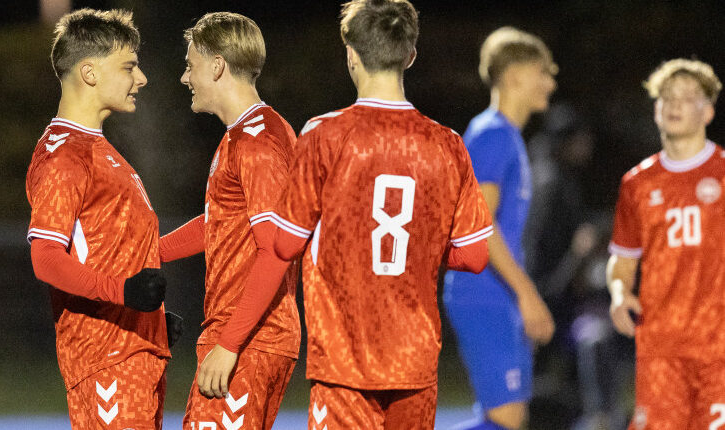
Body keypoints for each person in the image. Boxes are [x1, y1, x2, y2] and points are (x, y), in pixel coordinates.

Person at [198, 1, 490, 427]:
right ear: (410, 55)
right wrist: (416, 244)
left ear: (351, 53)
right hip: (416, 360)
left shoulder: (324, 135)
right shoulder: (447, 144)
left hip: (344, 362)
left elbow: (283, 244)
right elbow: (475, 255)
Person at [26, 9, 171, 429]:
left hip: (133, 350)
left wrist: (150, 319)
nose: (140, 78)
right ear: (89, 73)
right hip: (105, 359)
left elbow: (115, 249)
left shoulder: (100, 150)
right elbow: (46, 259)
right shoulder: (64, 155)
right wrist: (123, 293)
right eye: (128, 66)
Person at [158, 12, 300, 429]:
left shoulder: (258, 142)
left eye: (191, 65)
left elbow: (274, 250)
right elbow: (217, 224)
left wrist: (230, 342)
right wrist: (148, 251)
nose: (186, 77)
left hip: (252, 338)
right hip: (249, 335)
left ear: (217, 65)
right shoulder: (244, 136)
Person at [443, 26, 557, 430]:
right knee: (507, 420)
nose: (551, 81)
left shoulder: (507, 137)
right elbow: (480, 222)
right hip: (483, 292)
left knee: (507, 419)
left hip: (497, 292)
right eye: (543, 71)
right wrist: (527, 294)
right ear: (513, 77)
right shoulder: (493, 135)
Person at [607, 59, 724, 430]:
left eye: (687, 97)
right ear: (656, 109)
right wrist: (618, 292)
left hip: (718, 349)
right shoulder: (637, 183)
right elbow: (622, 260)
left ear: (708, 111)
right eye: (666, 97)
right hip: (661, 351)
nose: (674, 105)